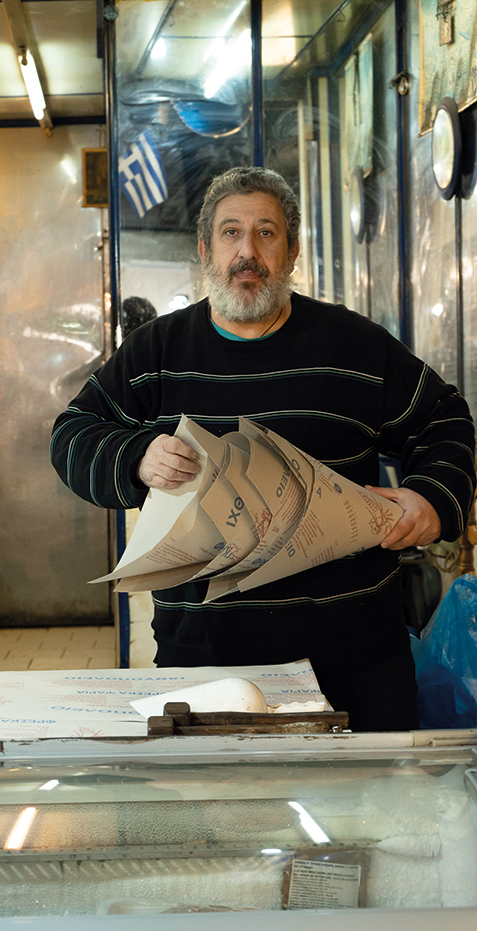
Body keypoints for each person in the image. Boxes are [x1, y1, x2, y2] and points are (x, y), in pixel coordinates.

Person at [51, 166, 476, 732]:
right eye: (230, 232)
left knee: (369, 794)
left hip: (356, 663)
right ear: (206, 248)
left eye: (266, 233)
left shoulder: (356, 346)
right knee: (216, 795)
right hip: (204, 664)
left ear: (292, 250)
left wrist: (431, 499)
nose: (247, 252)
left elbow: (446, 420)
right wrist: (136, 457)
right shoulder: (156, 351)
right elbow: (72, 434)